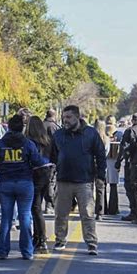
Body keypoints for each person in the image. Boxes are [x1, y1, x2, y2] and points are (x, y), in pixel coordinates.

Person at [51, 105, 106, 255]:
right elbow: (52, 156)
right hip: (63, 181)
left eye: (68, 117)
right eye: (63, 117)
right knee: (61, 213)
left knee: (87, 214)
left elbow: (100, 155)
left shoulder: (90, 134)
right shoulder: (58, 135)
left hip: (84, 181)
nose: (65, 120)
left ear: (77, 117)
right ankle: (60, 240)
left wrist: (101, 176)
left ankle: (91, 243)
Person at [0, 115, 46, 260]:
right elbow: (36, 160)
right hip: (24, 183)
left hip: (6, 183)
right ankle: (27, 251)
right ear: (22, 127)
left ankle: (2, 251)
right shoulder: (27, 144)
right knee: (25, 217)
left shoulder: (1, 143)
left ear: (8, 127)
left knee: (6, 219)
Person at [26, 116, 54, 254]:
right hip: (46, 173)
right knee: (37, 207)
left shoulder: (30, 142)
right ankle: (37, 238)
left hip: (35, 173)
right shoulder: (47, 141)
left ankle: (41, 240)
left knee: (35, 208)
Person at [115, 113, 137, 221]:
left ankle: (134, 211)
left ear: (132, 120)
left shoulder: (130, 131)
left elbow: (123, 148)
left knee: (130, 187)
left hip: (131, 163)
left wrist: (118, 162)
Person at [94, 119, 110, 221]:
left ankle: (89, 209)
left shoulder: (92, 138)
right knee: (100, 189)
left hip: (91, 164)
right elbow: (107, 152)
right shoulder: (106, 139)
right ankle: (100, 212)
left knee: (88, 188)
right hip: (102, 165)